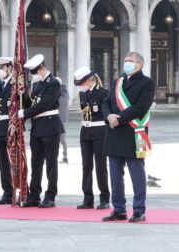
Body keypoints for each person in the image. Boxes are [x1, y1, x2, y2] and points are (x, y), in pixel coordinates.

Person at [101, 52, 155, 223]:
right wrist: (109, 116)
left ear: (139, 64)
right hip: (114, 132)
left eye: (130, 61)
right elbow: (106, 102)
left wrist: (119, 118)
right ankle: (118, 209)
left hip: (135, 132)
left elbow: (141, 107)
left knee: (137, 174)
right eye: (125, 60)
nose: (126, 63)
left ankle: (139, 210)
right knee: (115, 175)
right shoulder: (117, 82)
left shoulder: (147, 83)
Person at [18, 54, 64, 208]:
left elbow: (44, 105)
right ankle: (34, 194)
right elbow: (31, 102)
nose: (34, 76)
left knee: (51, 164)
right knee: (36, 163)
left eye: (36, 72)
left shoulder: (54, 83)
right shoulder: (37, 85)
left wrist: (25, 113)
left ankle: (50, 196)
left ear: (43, 69)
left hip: (50, 126)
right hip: (37, 127)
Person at [73, 66, 110, 210]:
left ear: (89, 80)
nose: (80, 86)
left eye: (81, 83)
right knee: (86, 166)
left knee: (101, 167)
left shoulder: (103, 93)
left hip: (100, 131)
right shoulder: (83, 94)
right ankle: (88, 199)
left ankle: (104, 199)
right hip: (86, 132)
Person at [0, 56, 15, 204]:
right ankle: (7, 192)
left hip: (11, 125)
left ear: (9, 68)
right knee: (3, 161)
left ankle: (22, 190)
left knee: (16, 160)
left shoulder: (15, 85)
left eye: (2, 67)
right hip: (0, 125)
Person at [56, 77, 69, 164]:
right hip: (60, 118)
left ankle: (65, 157)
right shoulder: (63, 92)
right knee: (59, 139)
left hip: (60, 119)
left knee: (61, 139)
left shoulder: (62, 93)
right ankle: (63, 157)